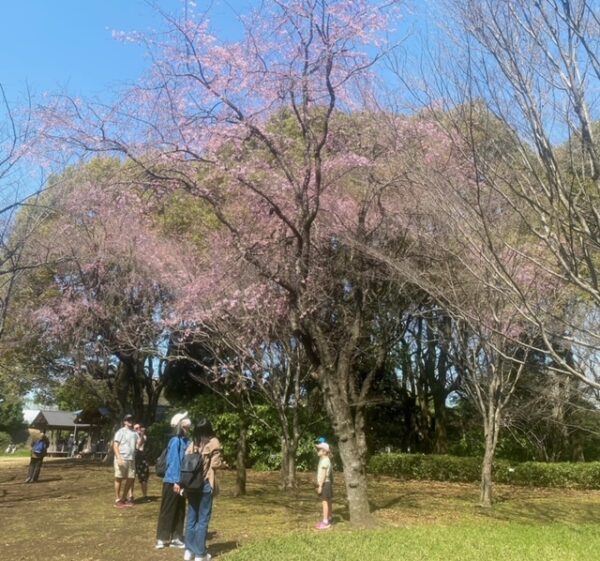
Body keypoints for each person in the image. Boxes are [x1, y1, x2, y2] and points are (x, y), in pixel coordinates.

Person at [183, 417, 224, 561]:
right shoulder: (214, 442)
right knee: (203, 519)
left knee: (192, 518)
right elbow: (215, 464)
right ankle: (200, 554)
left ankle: (189, 551)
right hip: (206, 483)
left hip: (192, 485)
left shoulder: (193, 443)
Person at [155, 412, 191, 549]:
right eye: (185, 425)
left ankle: (177, 537)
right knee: (168, 509)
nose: (187, 428)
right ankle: (162, 538)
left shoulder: (187, 441)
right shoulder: (175, 441)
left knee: (180, 509)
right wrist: (176, 481)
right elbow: (174, 462)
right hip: (172, 480)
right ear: (179, 425)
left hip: (182, 481)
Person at [112, 414, 138, 508]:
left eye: (131, 419)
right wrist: (118, 457)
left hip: (131, 459)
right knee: (119, 478)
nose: (130, 421)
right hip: (122, 458)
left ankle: (124, 498)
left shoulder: (135, 433)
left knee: (131, 478)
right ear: (124, 421)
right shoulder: (120, 432)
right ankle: (117, 499)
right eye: (128, 420)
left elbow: (138, 445)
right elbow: (115, 445)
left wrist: (142, 435)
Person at [315, 441, 333, 530]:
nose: (317, 450)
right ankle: (330, 518)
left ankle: (325, 522)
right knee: (328, 501)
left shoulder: (325, 461)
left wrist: (320, 486)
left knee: (325, 502)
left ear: (324, 452)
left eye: (319, 449)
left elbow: (323, 474)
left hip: (325, 483)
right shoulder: (325, 460)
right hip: (327, 483)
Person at [131, 423, 149, 501]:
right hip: (133, 458)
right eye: (136, 428)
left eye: (139, 427)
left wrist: (142, 435)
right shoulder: (131, 437)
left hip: (141, 459)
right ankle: (131, 496)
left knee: (143, 478)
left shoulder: (143, 436)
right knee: (131, 478)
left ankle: (145, 496)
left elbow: (140, 444)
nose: (138, 429)